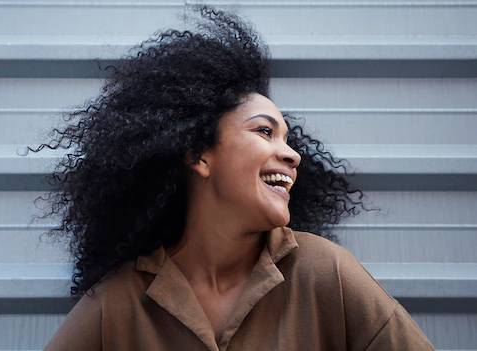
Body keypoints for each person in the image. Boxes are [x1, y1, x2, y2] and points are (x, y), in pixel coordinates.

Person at [34, 6, 435, 350]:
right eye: (264, 131)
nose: (293, 155)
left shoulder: (324, 273)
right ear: (197, 155)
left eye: (288, 139)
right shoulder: (119, 304)